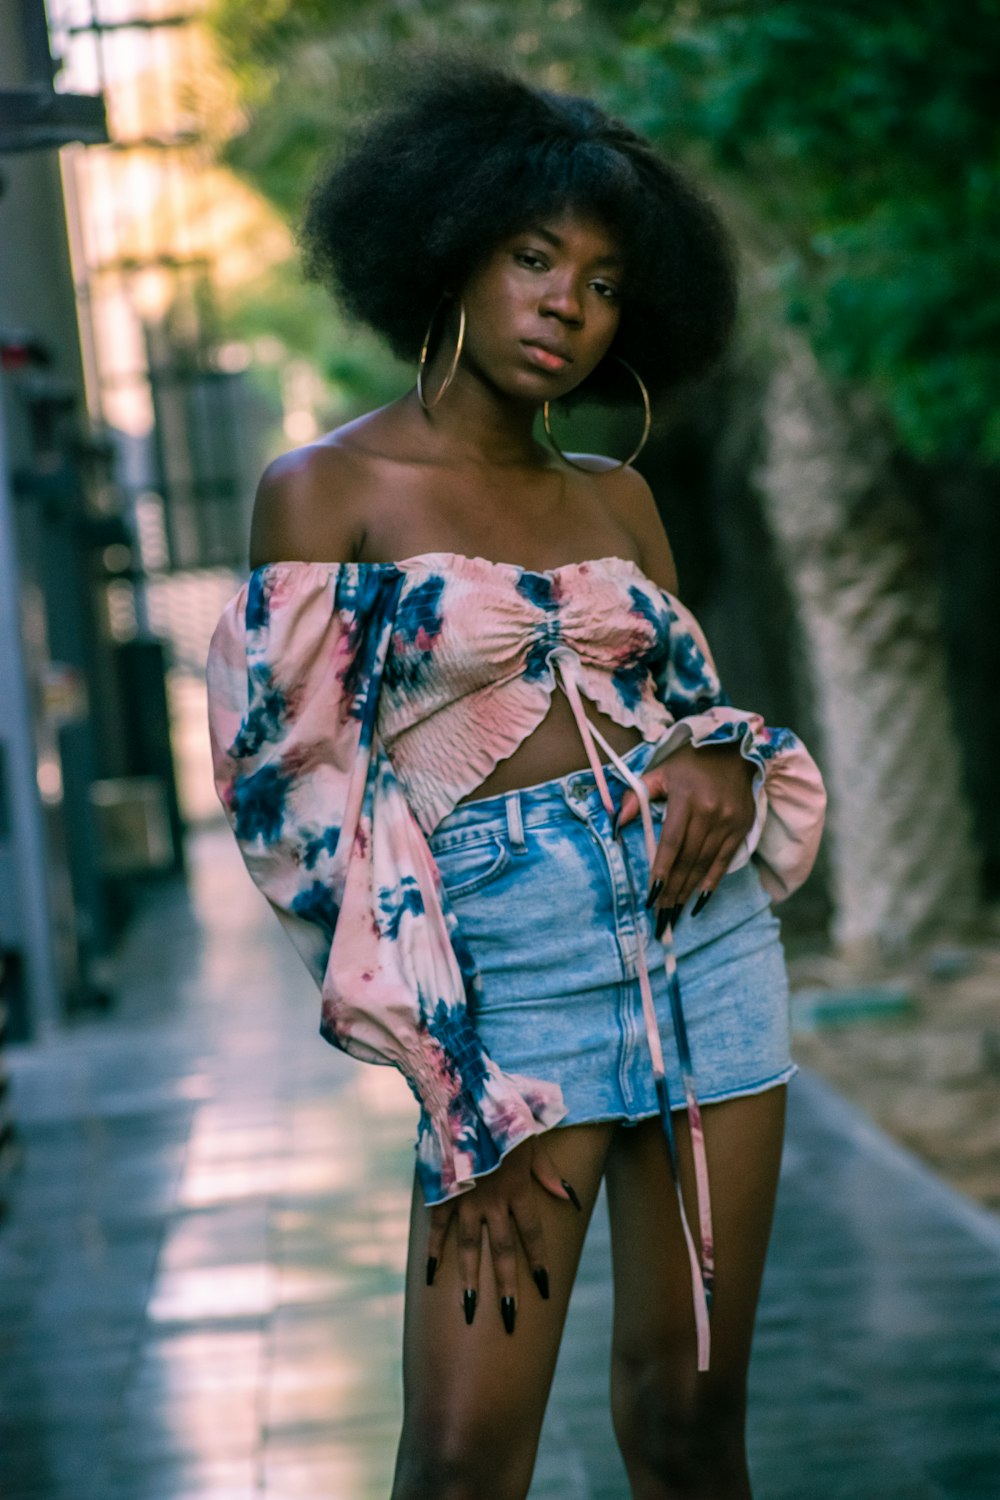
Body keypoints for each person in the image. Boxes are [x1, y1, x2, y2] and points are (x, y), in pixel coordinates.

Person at [207, 54, 827, 1500]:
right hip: (502, 984)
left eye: (605, 283)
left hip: (705, 954)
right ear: (451, 252)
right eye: (535, 257)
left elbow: (688, 714)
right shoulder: (327, 490)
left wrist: (719, 759)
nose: (566, 303)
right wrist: (451, 1087)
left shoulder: (619, 494)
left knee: (689, 1433)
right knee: (468, 1455)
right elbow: (302, 816)